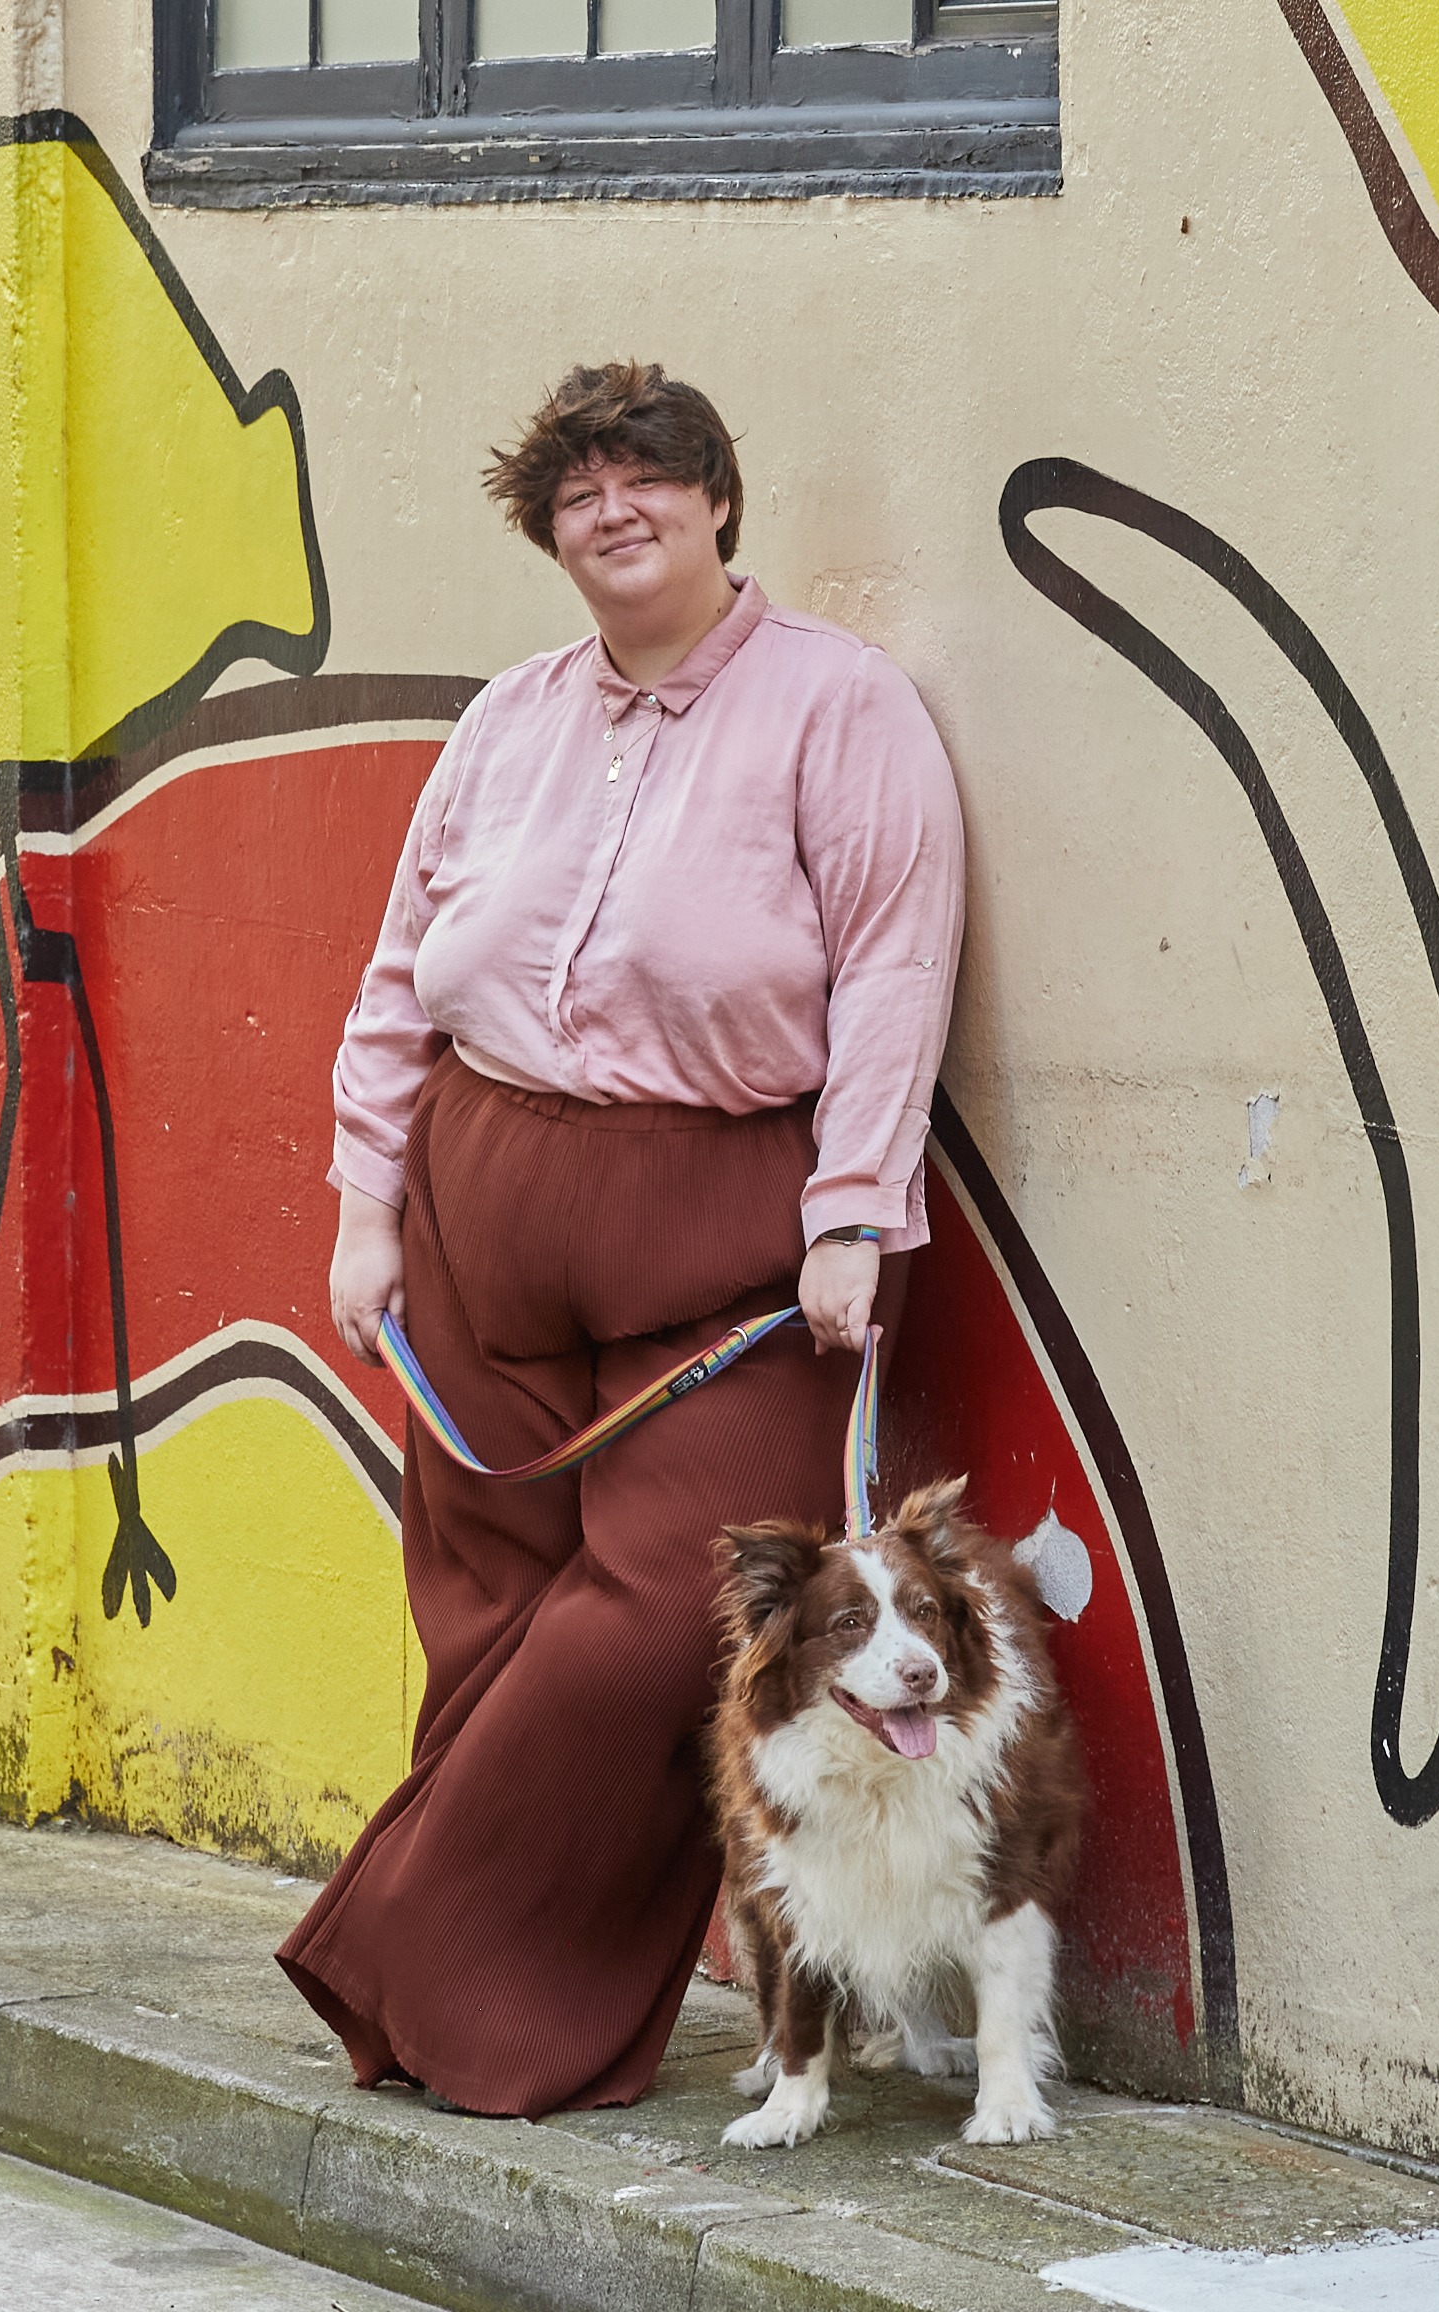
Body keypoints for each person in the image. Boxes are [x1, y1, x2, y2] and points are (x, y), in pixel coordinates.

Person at [277, 361, 967, 2119]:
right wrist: (367, 1214)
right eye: (577, 491)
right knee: (486, 1601)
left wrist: (855, 1219)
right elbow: (391, 979)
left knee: (666, 1611)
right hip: (477, 1207)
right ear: (552, 536)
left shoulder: (841, 708)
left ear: (716, 501)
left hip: (719, 1236)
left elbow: (895, 972)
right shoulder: (506, 721)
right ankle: (454, 2019)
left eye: (646, 479)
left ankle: (416, 1965)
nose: (614, 509)